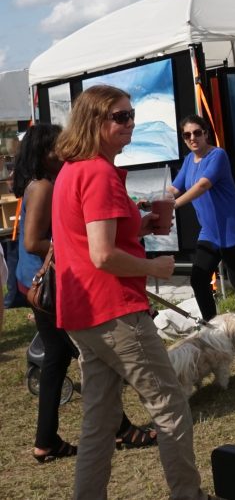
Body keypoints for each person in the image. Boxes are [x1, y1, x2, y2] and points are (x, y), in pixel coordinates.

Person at [51, 85, 206, 500]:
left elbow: (90, 239)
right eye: (119, 117)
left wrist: (142, 226)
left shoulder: (73, 170)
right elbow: (102, 255)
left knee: (99, 422)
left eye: (131, 115)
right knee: (170, 407)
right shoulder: (98, 172)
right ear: (94, 122)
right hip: (114, 311)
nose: (129, 123)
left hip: (83, 315)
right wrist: (154, 266)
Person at [15, 124, 157, 464]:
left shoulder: (46, 184)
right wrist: (81, 244)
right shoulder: (44, 187)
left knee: (58, 359)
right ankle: (120, 429)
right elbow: (34, 242)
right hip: (53, 284)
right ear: (45, 152)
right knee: (93, 355)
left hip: (45, 283)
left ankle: (46, 440)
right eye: (58, 147)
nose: (66, 151)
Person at [169, 115, 235, 346]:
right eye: (187, 135)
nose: (193, 138)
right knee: (198, 278)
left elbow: (203, 185)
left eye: (197, 132)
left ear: (206, 133)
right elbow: (173, 188)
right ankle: (213, 330)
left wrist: (174, 205)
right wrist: (153, 202)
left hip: (232, 229)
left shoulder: (217, 155)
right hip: (209, 232)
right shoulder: (189, 160)